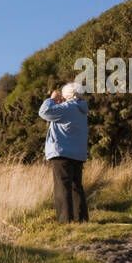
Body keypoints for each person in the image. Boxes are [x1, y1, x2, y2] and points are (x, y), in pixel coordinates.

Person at [38, 82, 89, 223]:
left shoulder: (67, 107)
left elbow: (44, 112)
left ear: (68, 95)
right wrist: (59, 104)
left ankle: (65, 220)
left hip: (62, 152)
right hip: (78, 154)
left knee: (62, 187)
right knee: (76, 187)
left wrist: (52, 99)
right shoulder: (81, 110)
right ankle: (82, 219)